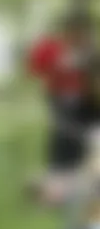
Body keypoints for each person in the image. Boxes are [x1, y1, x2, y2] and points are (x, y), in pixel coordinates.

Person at [26, 13, 97, 201]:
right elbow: (35, 68)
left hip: (86, 99)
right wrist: (58, 66)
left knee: (85, 137)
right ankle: (55, 182)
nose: (79, 34)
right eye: (75, 30)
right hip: (61, 97)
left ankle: (74, 181)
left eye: (83, 31)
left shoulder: (89, 47)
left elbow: (92, 72)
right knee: (64, 136)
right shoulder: (52, 46)